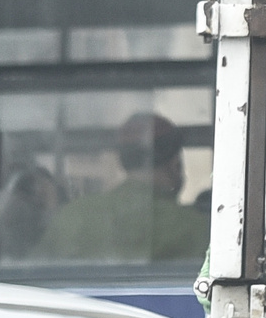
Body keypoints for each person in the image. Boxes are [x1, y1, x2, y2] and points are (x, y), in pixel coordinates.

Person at [35, 113, 207, 265]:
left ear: (122, 161)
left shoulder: (72, 216)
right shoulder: (197, 228)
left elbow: (33, 277)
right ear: (175, 163)